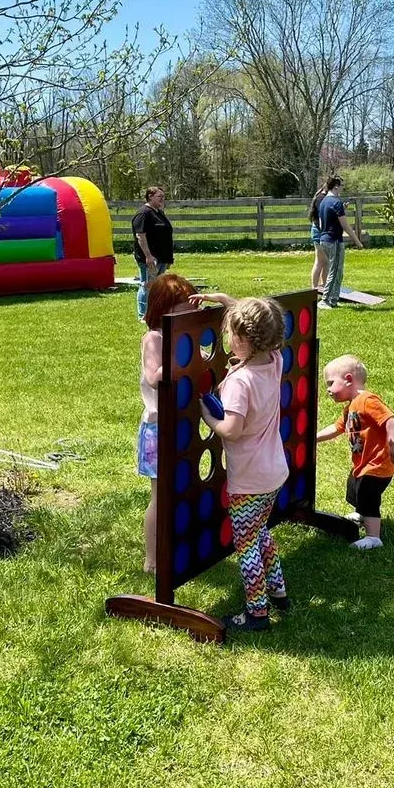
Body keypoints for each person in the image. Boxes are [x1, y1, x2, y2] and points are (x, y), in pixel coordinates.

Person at [193, 292, 290, 633]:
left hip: (249, 479)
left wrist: (207, 416)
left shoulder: (239, 381)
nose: (227, 337)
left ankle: (256, 613)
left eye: (230, 333)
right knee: (260, 531)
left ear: (244, 339)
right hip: (274, 471)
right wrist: (224, 300)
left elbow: (232, 431)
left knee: (245, 544)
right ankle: (278, 591)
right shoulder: (274, 360)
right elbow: (259, 323)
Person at [138, 273, 198, 572]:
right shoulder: (155, 338)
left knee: (183, 489)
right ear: (164, 310)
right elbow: (154, 377)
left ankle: (178, 544)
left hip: (182, 424)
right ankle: (152, 558)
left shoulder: (186, 337)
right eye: (183, 310)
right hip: (158, 428)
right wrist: (181, 351)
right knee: (160, 496)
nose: (190, 316)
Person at [317, 354, 394, 551]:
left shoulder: (366, 400)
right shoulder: (351, 407)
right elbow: (336, 428)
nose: (328, 390)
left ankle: (373, 537)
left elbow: (389, 418)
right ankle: (361, 514)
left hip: (377, 465)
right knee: (354, 487)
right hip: (363, 464)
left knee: (368, 495)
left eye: (330, 383)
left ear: (348, 379)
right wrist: (313, 438)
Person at [316, 175, 365, 310]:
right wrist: (357, 242)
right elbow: (345, 226)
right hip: (334, 241)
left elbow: (322, 222)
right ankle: (325, 300)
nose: (342, 188)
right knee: (335, 271)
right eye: (341, 185)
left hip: (324, 240)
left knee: (337, 271)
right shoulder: (336, 202)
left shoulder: (324, 201)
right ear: (336, 186)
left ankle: (333, 299)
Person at [132, 186, 174, 321]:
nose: (163, 199)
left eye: (163, 197)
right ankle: (143, 315)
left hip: (162, 258)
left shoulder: (159, 212)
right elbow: (140, 236)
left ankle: (155, 312)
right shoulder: (143, 213)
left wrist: (168, 259)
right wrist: (148, 256)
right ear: (150, 197)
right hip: (150, 259)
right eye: (159, 196)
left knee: (158, 286)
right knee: (147, 285)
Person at [308, 182, 328, 290]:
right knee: (321, 261)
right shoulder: (321, 198)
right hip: (319, 232)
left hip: (322, 232)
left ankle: (323, 286)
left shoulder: (323, 197)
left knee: (325, 262)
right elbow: (322, 216)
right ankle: (315, 287)